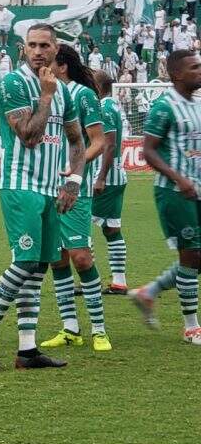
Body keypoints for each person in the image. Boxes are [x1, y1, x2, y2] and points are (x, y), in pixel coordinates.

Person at [0, 23, 86, 371]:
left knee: (37, 269)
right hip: (21, 186)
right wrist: (46, 96)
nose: (37, 51)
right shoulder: (14, 84)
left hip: (51, 188)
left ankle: (27, 350)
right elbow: (29, 136)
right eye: (31, 45)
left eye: (44, 46)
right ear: (23, 49)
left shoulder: (65, 92)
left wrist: (75, 180)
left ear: (56, 49)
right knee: (23, 262)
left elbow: (77, 142)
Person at [39, 45, 111, 352]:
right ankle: (70, 328)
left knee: (81, 256)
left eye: (50, 58)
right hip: (44, 186)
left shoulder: (83, 95)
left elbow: (99, 141)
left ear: (63, 65)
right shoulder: (44, 96)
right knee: (57, 257)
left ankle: (99, 329)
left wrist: (75, 169)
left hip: (74, 188)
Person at [129, 50, 201, 341]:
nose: (200, 70)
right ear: (176, 75)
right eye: (194, 67)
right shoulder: (164, 106)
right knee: (191, 254)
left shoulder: (197, 105)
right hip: (174, 191)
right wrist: (178, 177)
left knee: (198, 258)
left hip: (196, 188)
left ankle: (149, 292)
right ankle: (191, 326)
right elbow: (148, 150)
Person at [90, 70, 129, 294]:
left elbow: (109, 144)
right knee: (111, 229)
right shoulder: (114, 106)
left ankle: (90, 280)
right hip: (117, 176)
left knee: (80, 226)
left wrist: (101, 177)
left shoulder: (104, 108)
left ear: (98, 85)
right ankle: (119, 281)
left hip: (105, 178)